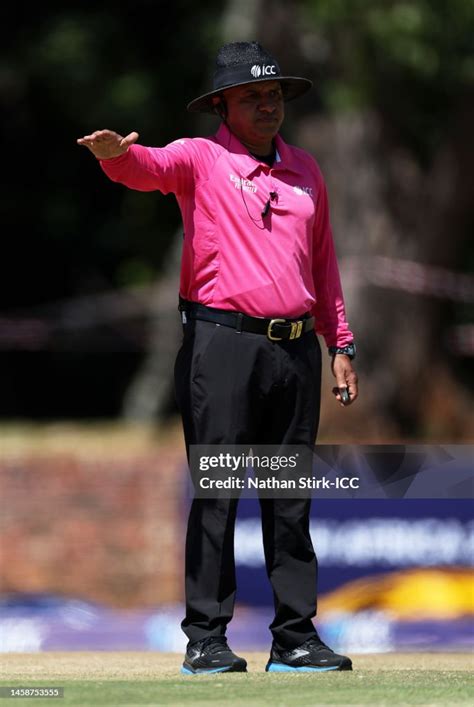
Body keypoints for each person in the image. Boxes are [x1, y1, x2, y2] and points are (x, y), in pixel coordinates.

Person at [77, 41, 358, 674]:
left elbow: (324, 264)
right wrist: (117, 157)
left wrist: (339, 341)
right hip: (221, 346)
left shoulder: (306, 169)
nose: (268, 105)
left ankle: (295, 636)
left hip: (295, 352)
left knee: (289, 497)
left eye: (275, 94)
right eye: (253, 96)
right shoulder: (201, 159)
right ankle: (206, 638)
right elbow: (147, 166)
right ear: (222, 106)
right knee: (219, 491)